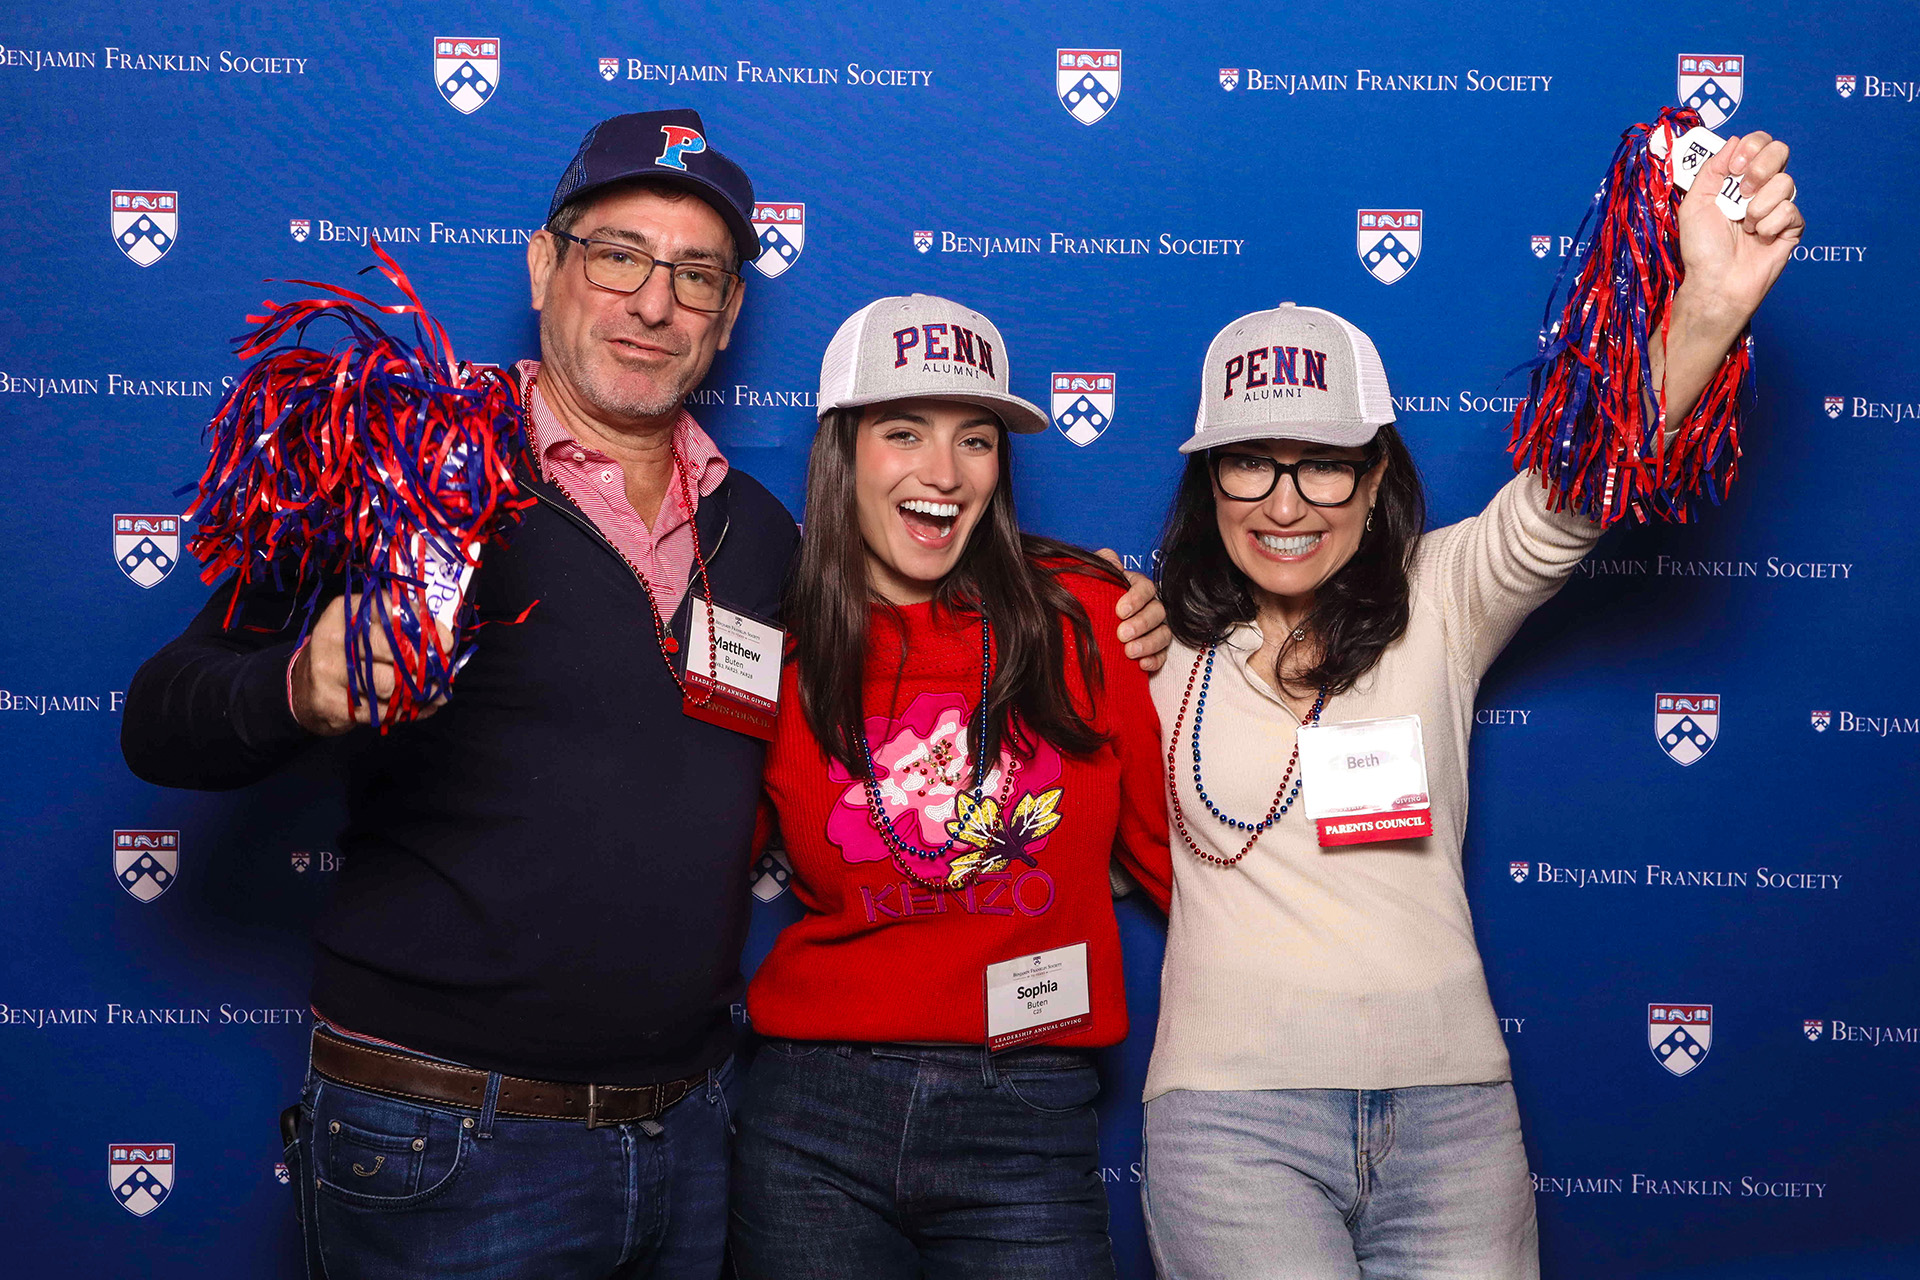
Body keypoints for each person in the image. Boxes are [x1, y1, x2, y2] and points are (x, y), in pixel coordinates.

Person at [120, 112, 1168, 1280]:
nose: (652, 301)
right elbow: (162, 713)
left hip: (690, 1138)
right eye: (619, 254)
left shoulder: (762, 539)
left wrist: (1104, 593)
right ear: (544, 264)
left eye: (696, 275)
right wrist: (293, 687)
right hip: (447, 1137)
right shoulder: (417, 473)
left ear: (724, 321)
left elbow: (933, 603)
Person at [1139, 135, 1802, 1278]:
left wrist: (1706, 303)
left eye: (1326, 462)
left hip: (1454, 1124)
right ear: (1209, 483)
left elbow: (1576, 488)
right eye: (1251, 463)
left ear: (1376, 476)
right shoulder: (1142, 641)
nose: (1287, 501)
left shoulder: (1440, 597)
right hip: (1233, 1127)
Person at [728, 294, 1174, 1280]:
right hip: (811, 1111)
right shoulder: (774, 644)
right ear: (842, 451)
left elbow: (1185, 864)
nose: (943, 473)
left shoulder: (1092, 619)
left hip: (1028, 1106)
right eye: (903, 433)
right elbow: (684, 863)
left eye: (975, 439)